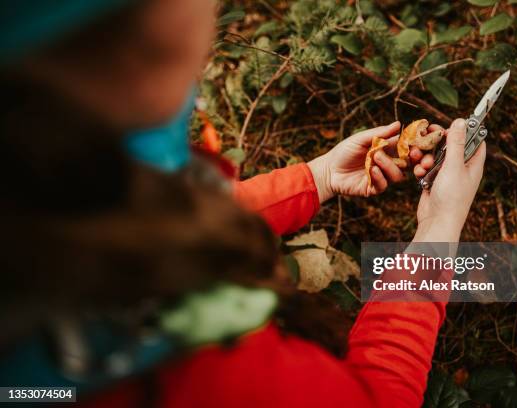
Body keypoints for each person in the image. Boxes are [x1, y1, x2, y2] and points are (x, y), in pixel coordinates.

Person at [0, 1, 485, 407]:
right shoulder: (181, 367)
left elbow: (149, 218)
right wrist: (437, 233)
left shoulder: (60, 170)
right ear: (144, 28)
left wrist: (315, 179)